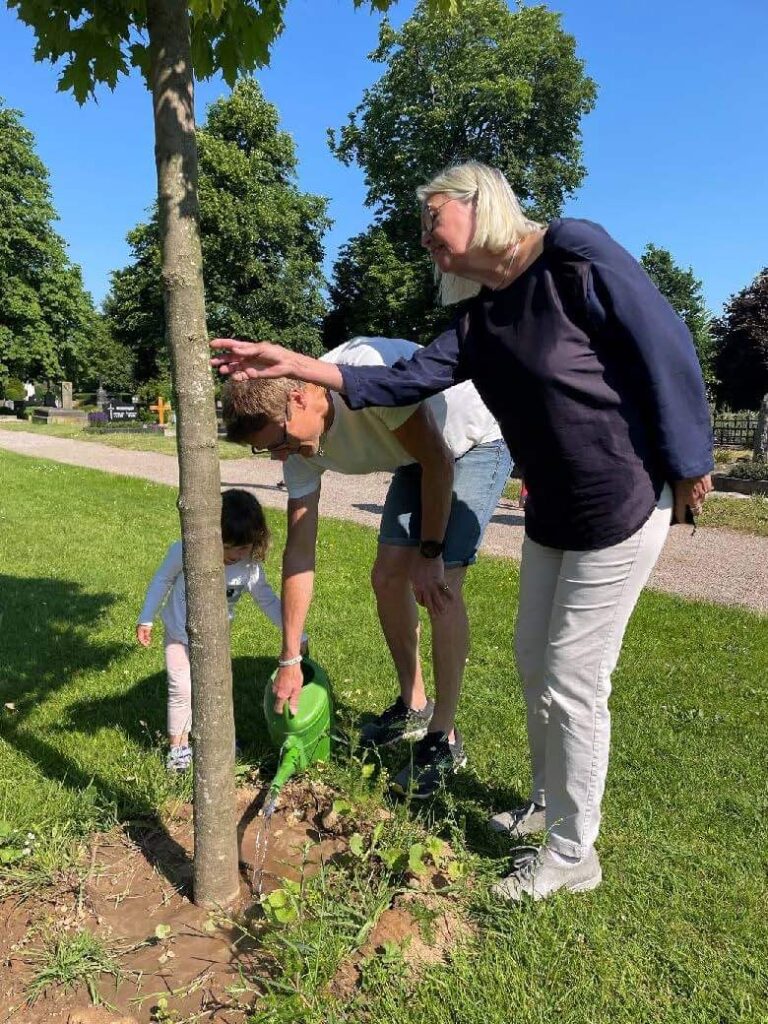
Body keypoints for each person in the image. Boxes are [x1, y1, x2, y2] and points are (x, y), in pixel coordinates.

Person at [210, 161, 714, 901]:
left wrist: (691, 460)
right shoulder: (479, 319)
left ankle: (574, 853)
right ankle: (546, 803)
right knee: (534, 663)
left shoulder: (573, 251)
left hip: (621, 497)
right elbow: (396, 382)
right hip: (552, 509)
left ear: (480, 204)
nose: (424, 237)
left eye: (430, 219)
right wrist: (292, 362)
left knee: (574, 677)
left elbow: (663, 345)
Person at [221, 336, 511, 799]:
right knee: (387, 577)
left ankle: (444, 736)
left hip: (469, 442)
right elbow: (299, 552)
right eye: (266, 451)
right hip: (416, 454)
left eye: (277, 442)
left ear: (299, 399)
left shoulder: (366, 376)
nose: (278, 457)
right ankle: (414, 703)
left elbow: (438, 459)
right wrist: (289, 657)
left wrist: (431, 555)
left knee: (440, 586)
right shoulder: (299, 447)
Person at [136, 488, 305, 772]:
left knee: (217, 690)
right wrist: (146, 617)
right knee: (182, 688)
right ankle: (179, 748)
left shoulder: (249, 568)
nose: (234, 555)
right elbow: (162, 580)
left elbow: (268, 601)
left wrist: (295, 635)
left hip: (215, 641)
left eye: (242, 548)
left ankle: (219, 740)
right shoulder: (187, 551)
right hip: (178, 635)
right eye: (227, 546)